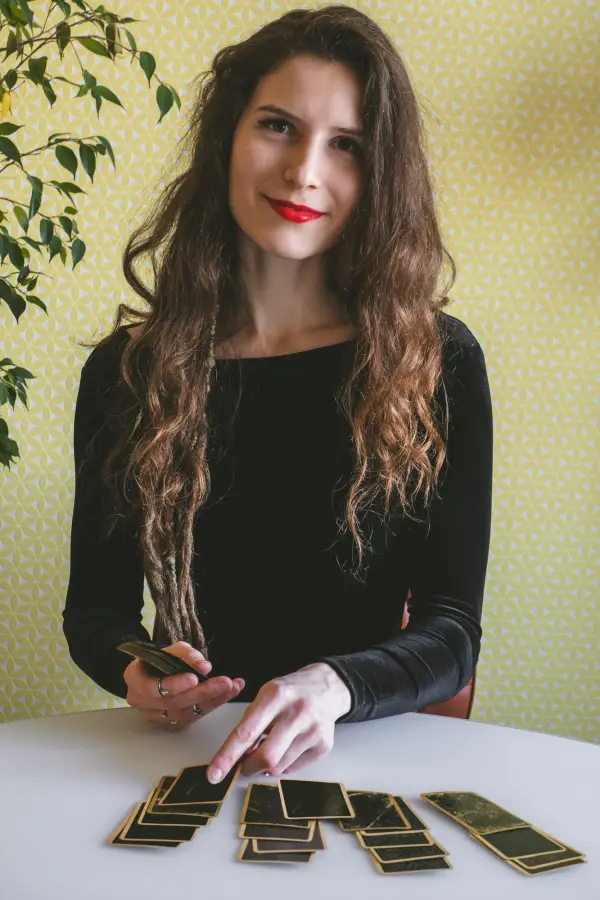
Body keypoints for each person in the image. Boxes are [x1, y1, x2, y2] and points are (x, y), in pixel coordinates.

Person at [63, 4, 493, 787]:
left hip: (363, 755)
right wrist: (136, 670)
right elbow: (95, 612)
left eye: (346, 145)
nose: (303, 172)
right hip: (185, 760)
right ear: (227, 137)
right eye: (278, 127)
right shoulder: (126, 372)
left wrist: (333, 686)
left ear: (379, 172)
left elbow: (452, 631)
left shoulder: (438, 362)